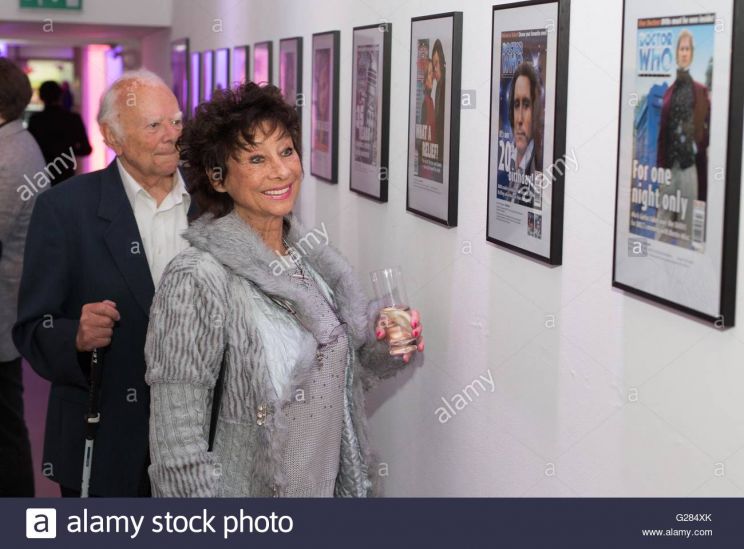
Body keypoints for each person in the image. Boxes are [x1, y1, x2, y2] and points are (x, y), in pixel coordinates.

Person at [145, 82, 425, 497]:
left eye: (287, 150)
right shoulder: (197, 277)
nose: (281, 170)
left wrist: (387, 346)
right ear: (218, 179)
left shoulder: (310, 259)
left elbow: (335, 380)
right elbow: (176, 451)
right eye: (256, 158)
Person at [13, 69, 194, 497]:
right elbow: (32, 328)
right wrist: (74, 335)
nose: (172, 135)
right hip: (106, 443)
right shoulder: (65, 209)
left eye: (177, 121)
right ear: (111, 136)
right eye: (154, 125)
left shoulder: (214, 205)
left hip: (198, 450)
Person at [0, 58, 45, 497]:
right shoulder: (17, 144)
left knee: (7, 431)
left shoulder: (8, 157)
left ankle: (16, 517)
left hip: (2, 313)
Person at [656, 29, 710, 246]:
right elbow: (662, 133)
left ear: (692, 53)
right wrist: (660, 168)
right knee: (662, 226)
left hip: (689, 168)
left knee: (687, 230)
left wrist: (695, 144)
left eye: (688, 48)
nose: (684, 52)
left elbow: (708, 131)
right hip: (668, 169)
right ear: (677, 52)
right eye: (681, 48)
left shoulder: (700, 90)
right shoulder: (669, 92)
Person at [28, 81, 92, 185]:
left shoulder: (35, 120)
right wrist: (67, 151)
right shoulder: (73, 119)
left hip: (41, 177)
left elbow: (30, 150)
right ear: (60, 96)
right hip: (66, 176)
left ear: (41, 97)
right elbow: (86, 149)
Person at [508, 61, 542, 208]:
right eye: (516, 105)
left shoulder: (538, 168)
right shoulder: (508, 162)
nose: (520, 119)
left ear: (535, 110)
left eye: (526, 105)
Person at [431, 40, 446, 159]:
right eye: (433, 64)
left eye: (436, 63)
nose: (435, 68)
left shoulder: (445, 85)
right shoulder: (438, 87)